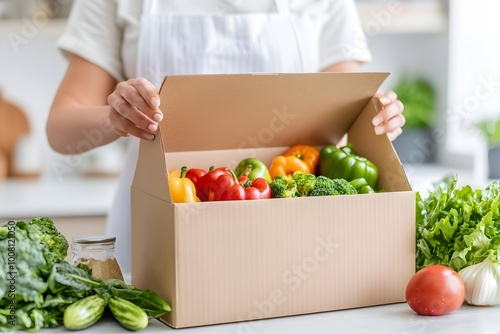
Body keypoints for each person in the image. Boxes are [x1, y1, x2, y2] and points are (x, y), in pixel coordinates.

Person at [46, 0, 405, 273]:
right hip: (155, 223)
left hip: (286, 232)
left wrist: (376, 113)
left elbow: (345, 104)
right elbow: (61, 127)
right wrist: (116, 118)